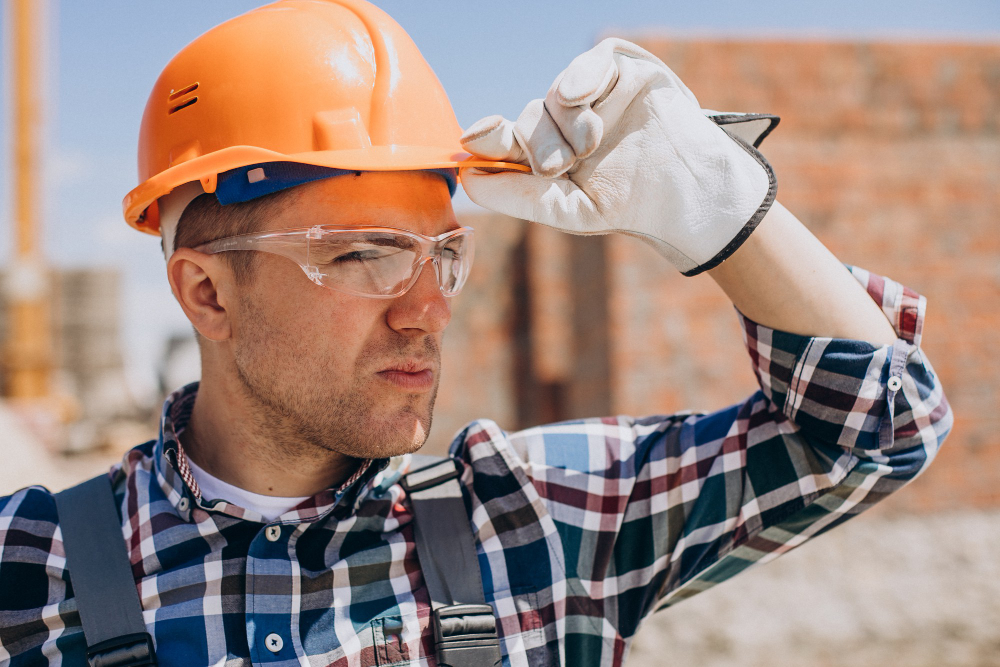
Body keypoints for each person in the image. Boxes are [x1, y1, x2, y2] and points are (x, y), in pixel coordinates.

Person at [0, 1, 951, 665]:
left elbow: (879, 429)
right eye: (367, 253)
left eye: (442, 254)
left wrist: (725, 212)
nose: (428, 306)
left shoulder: (533, 521)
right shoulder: (36, 570)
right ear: (206, 293)